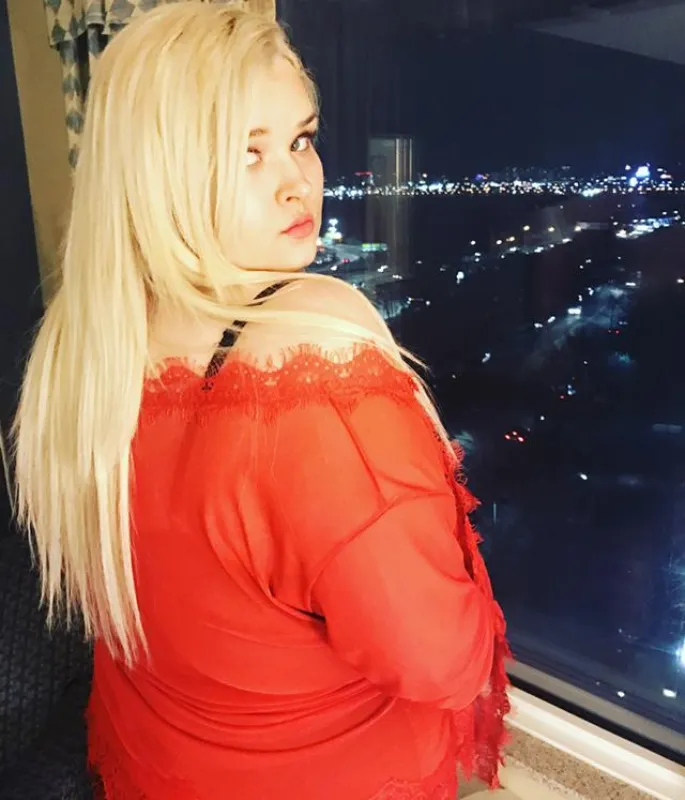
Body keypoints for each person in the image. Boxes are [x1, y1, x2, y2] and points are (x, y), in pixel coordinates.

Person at [12, 3, 510, 798]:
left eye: (300, 139)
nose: (296, 181)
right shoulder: (315, 354)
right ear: (160, 173)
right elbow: (439, 660)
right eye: (245, 152)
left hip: (154, 764)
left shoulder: (80, 341)